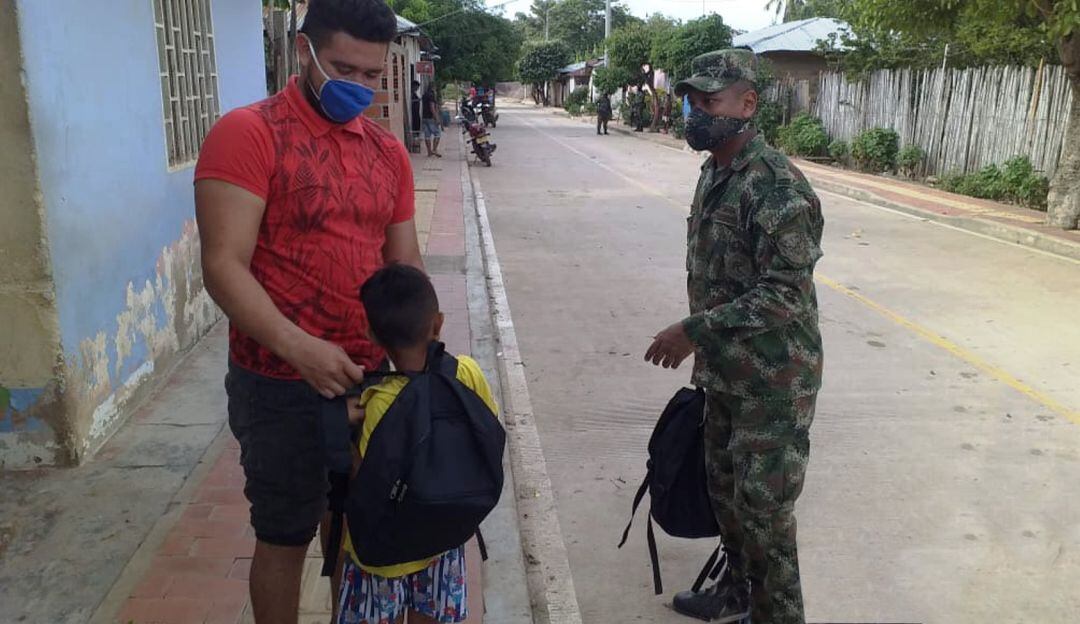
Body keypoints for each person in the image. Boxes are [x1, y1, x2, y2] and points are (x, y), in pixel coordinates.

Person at [193, 1, 423, 622]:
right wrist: (300, 350)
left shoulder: (386, 152)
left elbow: (404, 265)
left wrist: (421, 359)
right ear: (304, 51)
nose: (360, 87)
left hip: (369, 377)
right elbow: (223, 265)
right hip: (278, 382)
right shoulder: (249, 133)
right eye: (344, 69)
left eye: (372, 75)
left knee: (356, 526)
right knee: (285, 532)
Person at [645, 49, 824, 624]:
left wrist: (693, 331)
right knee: (727, 499)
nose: (697, 113)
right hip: (725, 372)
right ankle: (740, 595)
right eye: (692, 102)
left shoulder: (776, 186)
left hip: (772, 381)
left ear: (747, 104)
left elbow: (785, 294)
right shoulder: (716, 172)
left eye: (710, 101)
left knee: (765, 515)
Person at [338, 264, 497, 624]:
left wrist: (340, 430)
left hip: (382, 557)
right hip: (443, 541)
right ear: (437, 324)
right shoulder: (466, 372)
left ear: (371, 336)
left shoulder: (377, 403)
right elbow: (488, 429)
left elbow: (365, 478)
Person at [422, 85, 442, 157]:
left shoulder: (424, 95)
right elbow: (432, 107)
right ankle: (434, 150)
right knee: (437, 134)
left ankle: (429, 152)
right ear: (433, 88)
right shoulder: (431, 96)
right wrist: (436, 118)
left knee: (427, 135)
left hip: (424, 117)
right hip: (431, 118)